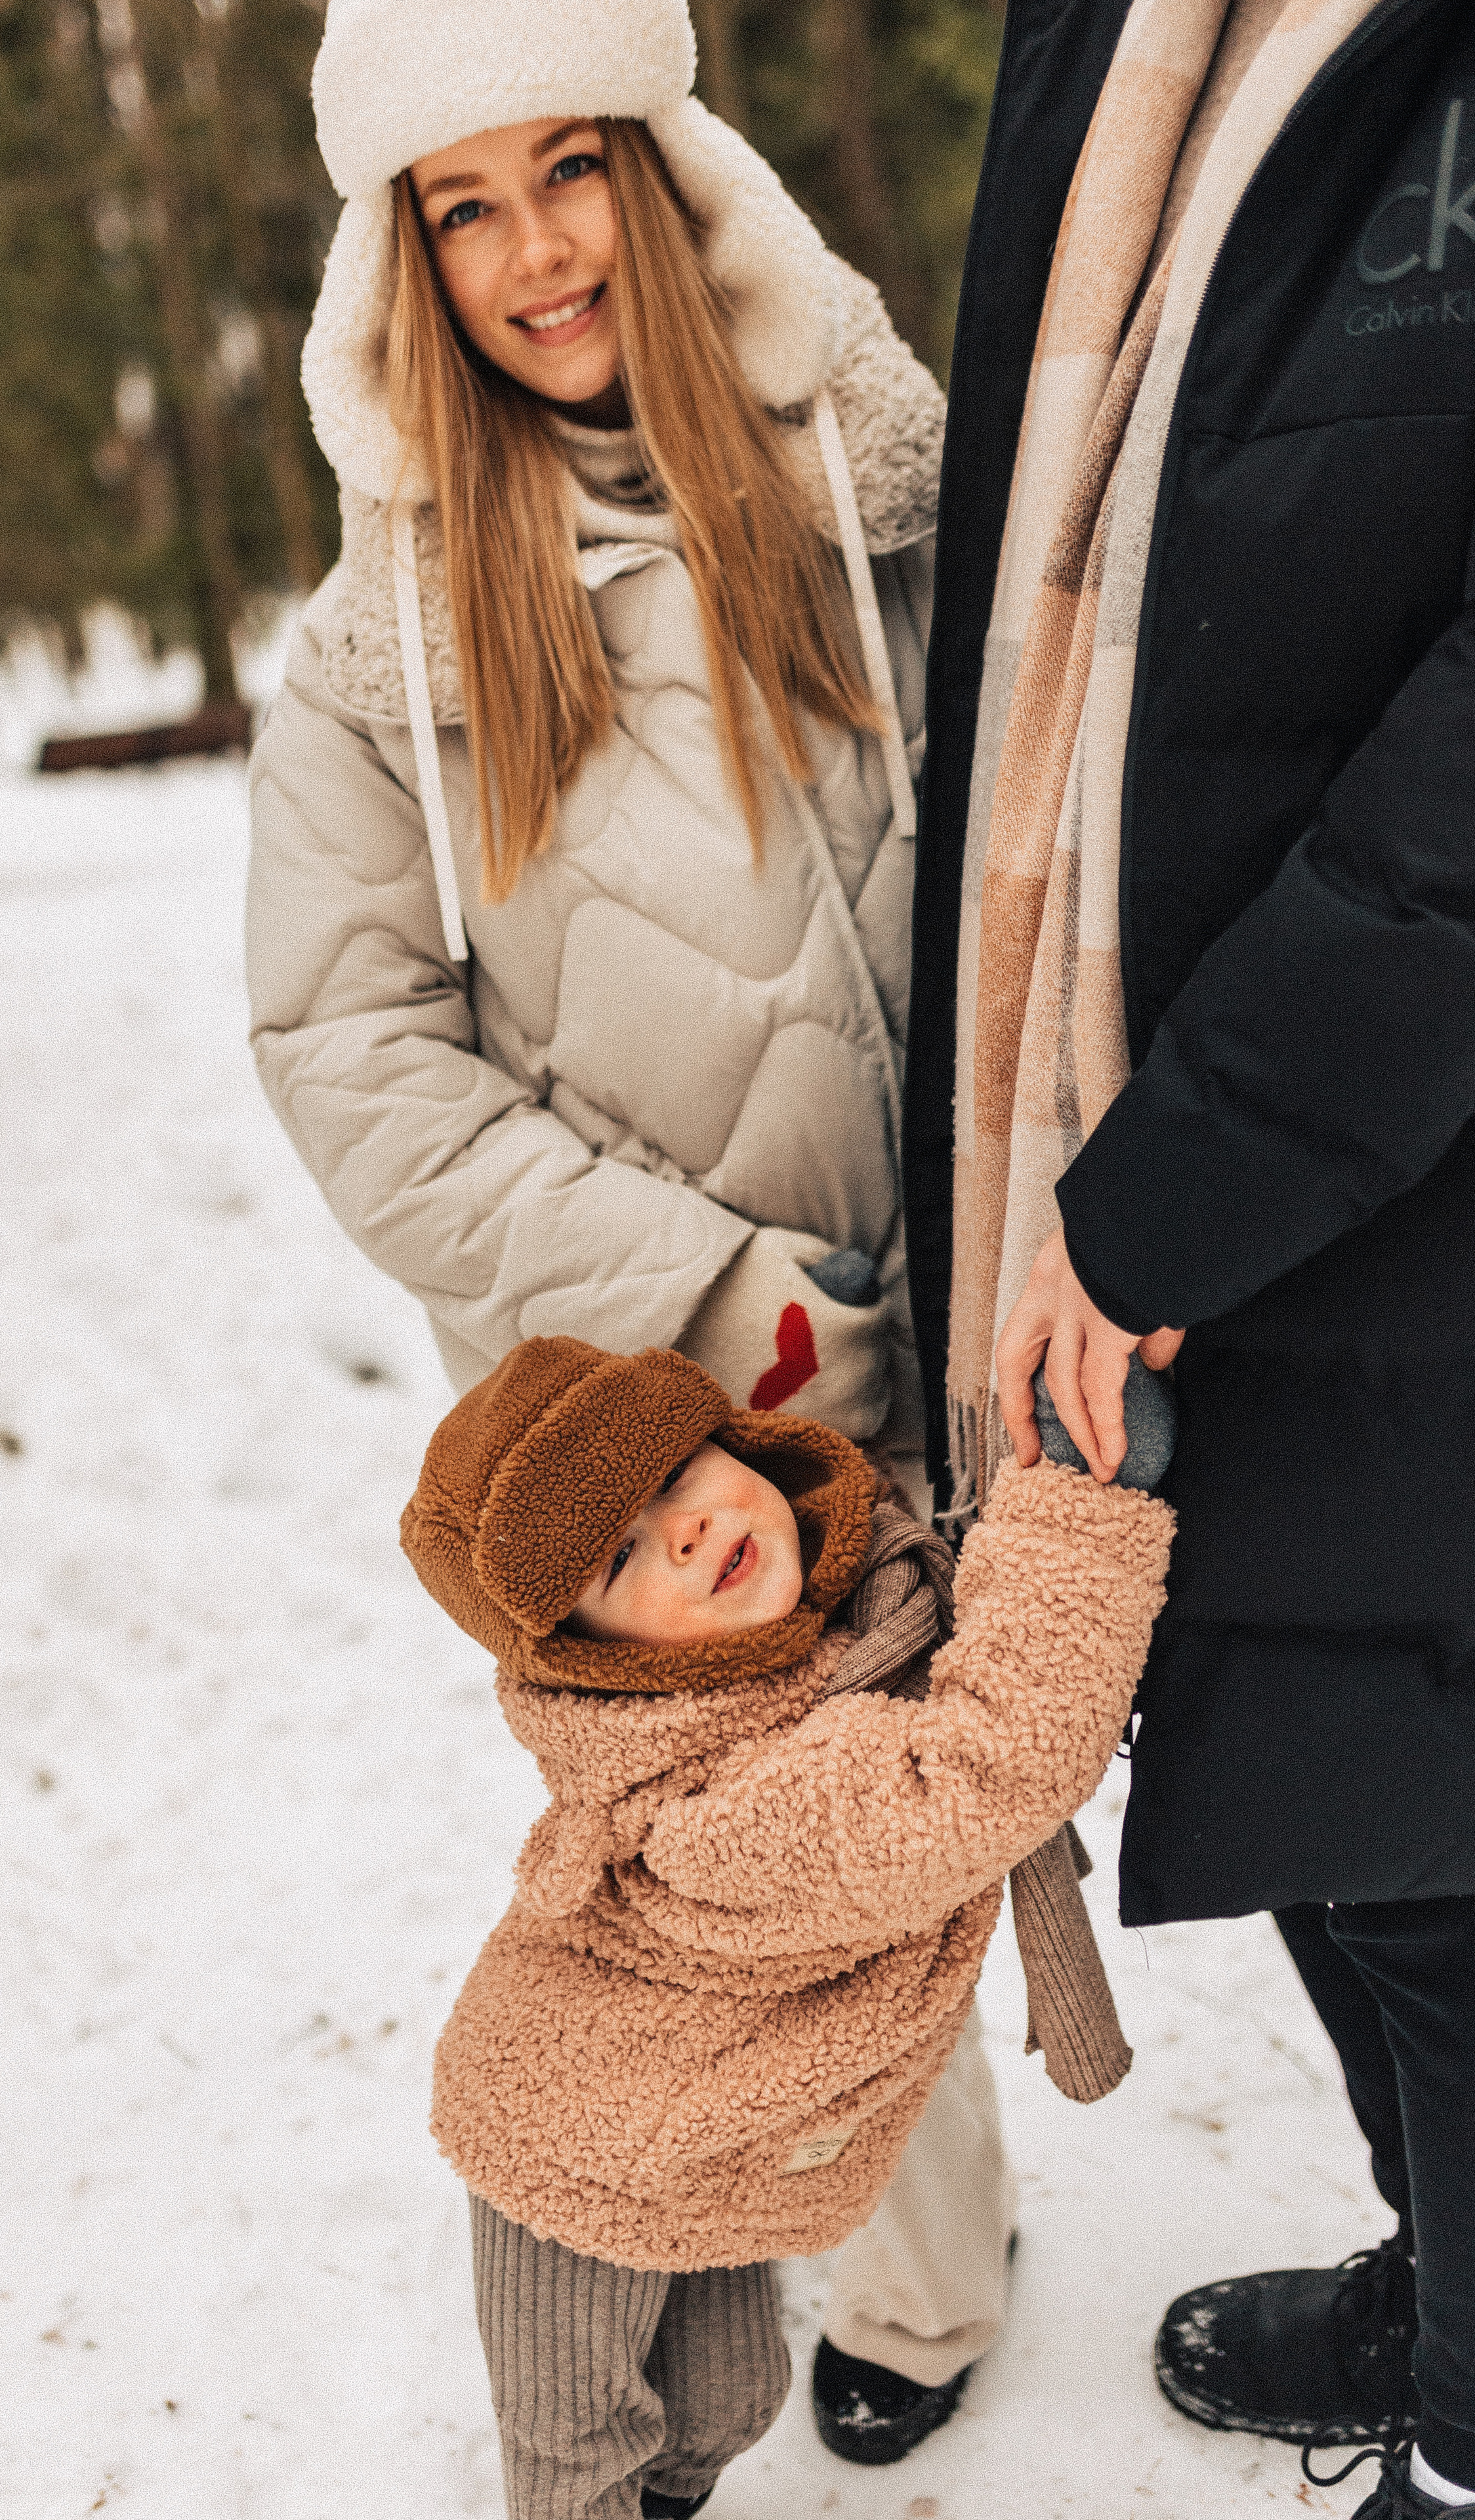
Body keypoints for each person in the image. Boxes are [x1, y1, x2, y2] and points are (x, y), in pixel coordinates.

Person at [247, 0, 1013, 2463]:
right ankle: (870, 2294)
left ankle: (971, 2251)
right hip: (686, 1398)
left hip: (976, 1291)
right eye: (456, 205)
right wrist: (704, 1297)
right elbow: (348, 1051)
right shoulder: (394, 644)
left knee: (965, 1786)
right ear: (398, 256)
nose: (530, 249)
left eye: (563, 166)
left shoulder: (884, 481)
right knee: (750, 1882)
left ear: (668, 167)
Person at [905, 3, 1475, 2515]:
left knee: (1444, 1864)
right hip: (1213, 1150)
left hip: (1351, 1146)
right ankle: (1457, 2283)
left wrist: (1171, 1184)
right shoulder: (1131, 35)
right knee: (1343, 1818)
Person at [402, 1334, 1172, 2520]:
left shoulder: (841, 1608)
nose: (689, 1531)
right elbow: (976, 1774)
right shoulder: (717, 1809)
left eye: (674, 1477)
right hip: (562, 2156)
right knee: (581, 2446)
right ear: (599, 1660)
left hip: (697, 2134)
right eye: (622, 1556)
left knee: (725, 2400)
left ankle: (673, 2496)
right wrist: (1078, 1501)